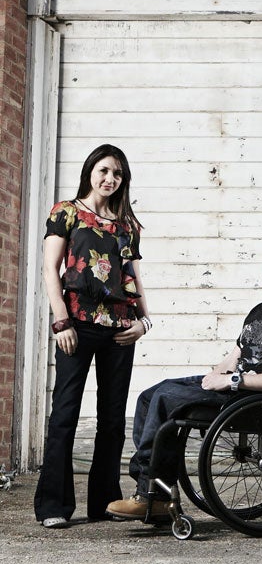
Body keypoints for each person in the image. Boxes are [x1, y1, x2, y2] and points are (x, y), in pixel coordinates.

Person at [105, 236, 262, 521]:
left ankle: (150, 494)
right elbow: (237, 354)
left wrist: (233, 381)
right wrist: (214, 374)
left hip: (257, 399)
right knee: (149, 395)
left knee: (164, 399)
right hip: (235, 388)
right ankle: (158, 493)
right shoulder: (259, 311)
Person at [34, 144, 151, 529]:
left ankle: (105, 502)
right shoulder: (66, 212)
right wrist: (61, 322)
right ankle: (53, 506)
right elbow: (51, 269)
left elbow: (132, 276)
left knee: (113, 419)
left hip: (119, 329)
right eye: (103, 170)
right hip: (78, 327)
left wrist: (144, 322)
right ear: (90, 172)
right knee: (64, 413)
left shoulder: (126, 225)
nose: (109, 179)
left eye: (116, 174)